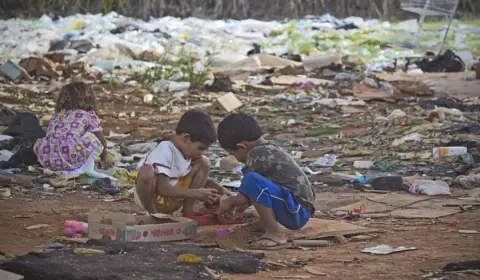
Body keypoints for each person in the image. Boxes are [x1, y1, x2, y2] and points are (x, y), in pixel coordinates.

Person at [217, 113, 315, 250]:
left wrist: (229, 202)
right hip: (297, 206)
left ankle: (274, 233)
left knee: (251, 179)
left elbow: (248, 192)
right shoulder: (266, 148)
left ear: (241, 147)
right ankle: (264, 223)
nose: (236, 158)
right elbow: (253, 194)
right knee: (253, 182)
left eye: (233, 154)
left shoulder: (257, 154)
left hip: (297, 210)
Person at [135, 110, 230, 217]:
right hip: (156, 200)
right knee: (146, 172)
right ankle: (152, 214)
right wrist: (197, 193)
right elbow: (163, 188)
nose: (200, 153)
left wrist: (219, 188)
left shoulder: (187, 153)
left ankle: (188, 211)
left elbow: (189, 177)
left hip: (173, 199)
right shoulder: (165, 150)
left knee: (204, 162)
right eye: (200, 148)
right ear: (186, 138)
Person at [34, 82, 107, 178]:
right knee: (92, 137)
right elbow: (101, 141)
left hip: (48, 159)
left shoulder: (57, 115)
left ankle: (60, 167)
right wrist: (104, 156)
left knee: (52, 139)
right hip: (71, 156)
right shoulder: (88, 115)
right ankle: (84, 169)